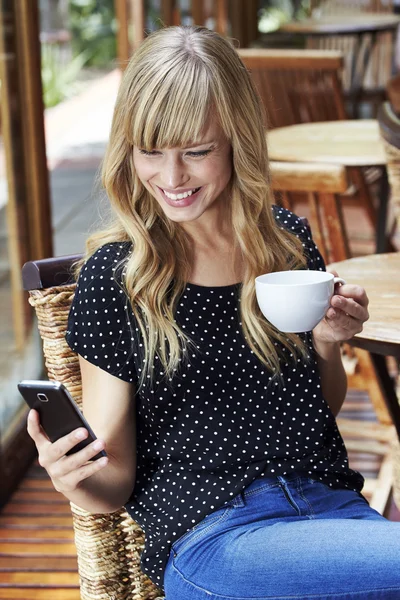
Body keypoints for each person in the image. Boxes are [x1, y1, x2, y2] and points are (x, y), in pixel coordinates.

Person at [27, 25, 400, 600]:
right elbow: (114, 477)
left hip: (331, 511)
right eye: (151, 152)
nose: (171, 179)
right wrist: (71, 477)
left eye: (196, 152)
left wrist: (328, 341)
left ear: (236, 141)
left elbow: (313, 410)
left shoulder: (287, 246)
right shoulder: (116, 280)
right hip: (217, 540)